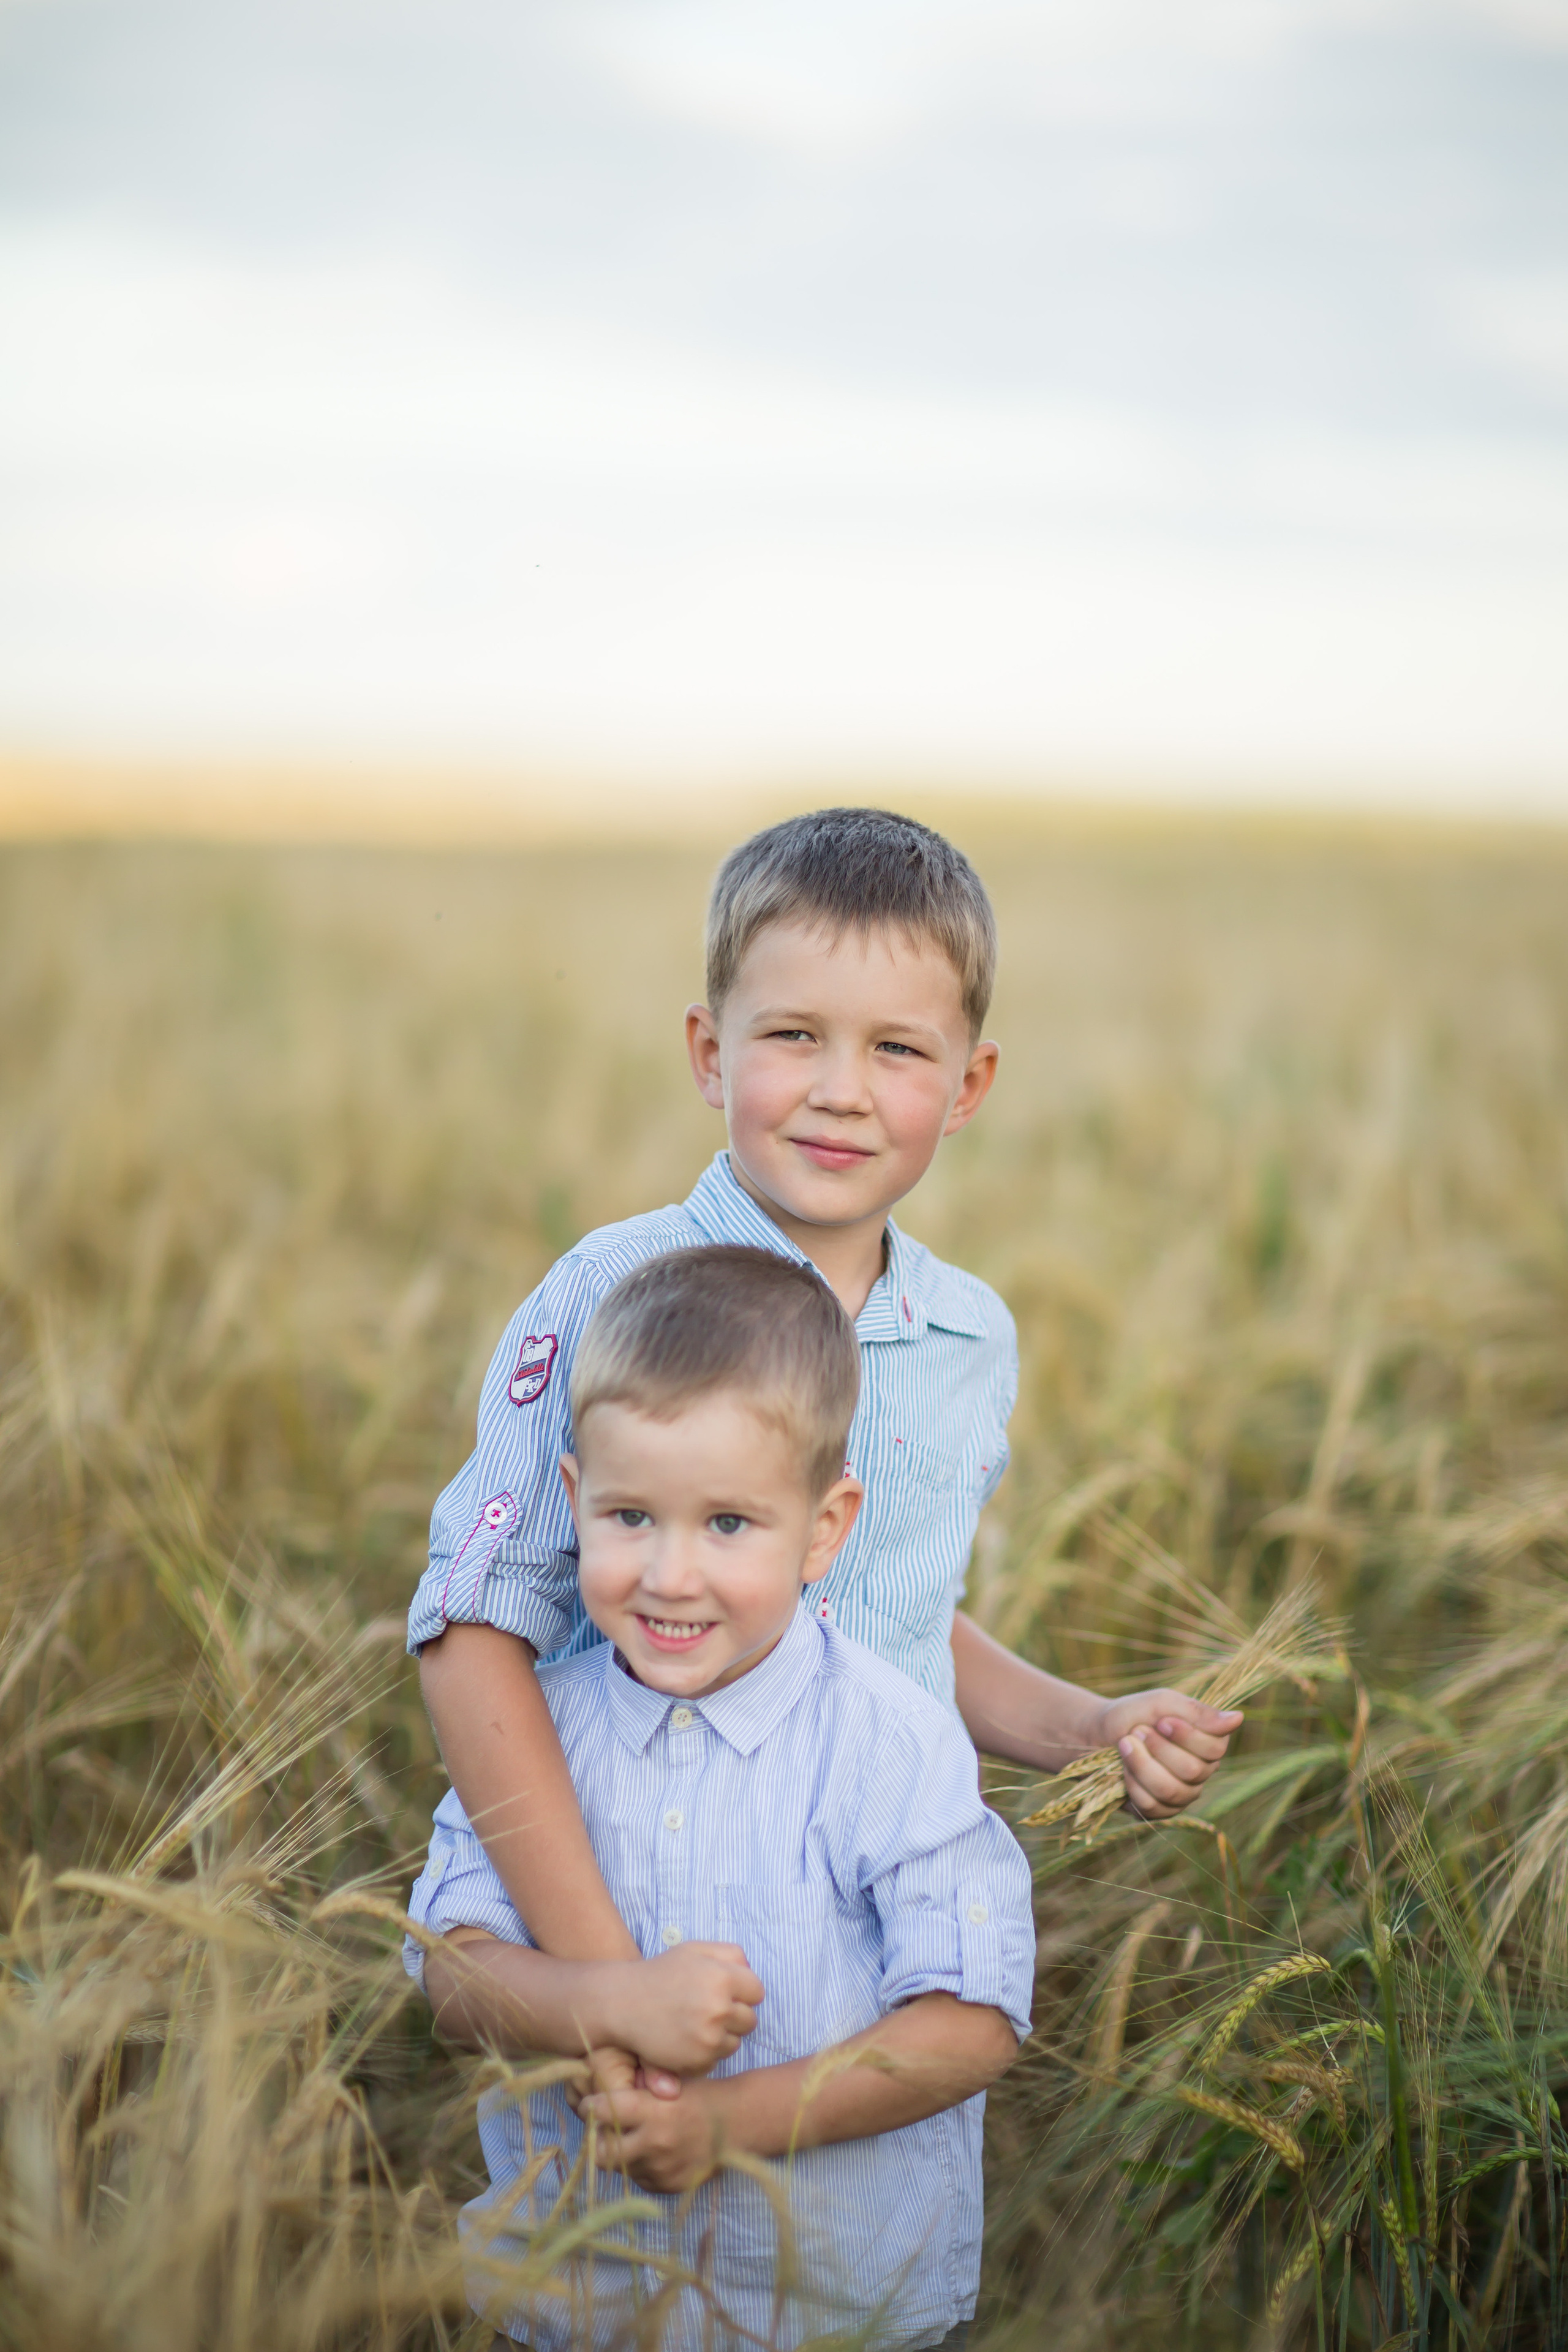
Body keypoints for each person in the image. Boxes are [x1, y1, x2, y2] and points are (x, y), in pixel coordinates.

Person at [410, 807, 1242, 2086]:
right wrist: (604, 1988)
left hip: (851, 1965)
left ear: (966, 1086)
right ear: (708, 1051)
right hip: (625, 1899)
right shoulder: (604, 1290)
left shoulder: (967, 1341)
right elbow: (474, 1634)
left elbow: (895, 1621)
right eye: (792, 1035)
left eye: (897, 1050)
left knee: (845, 2267)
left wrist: (1093, 1728)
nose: (840, 1089)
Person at [404, 1246, 1036, 2351]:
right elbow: (452, 1973)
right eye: (631, 1517)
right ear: (573, 1498)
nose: (670, 1574)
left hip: (838, 2313)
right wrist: (609, 2003)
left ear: (828, 1526)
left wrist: (725, 2124)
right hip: (575, 2307)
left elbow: (973, 2025)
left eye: (729, 1526)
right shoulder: (536, 1737)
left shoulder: (891, 1740)